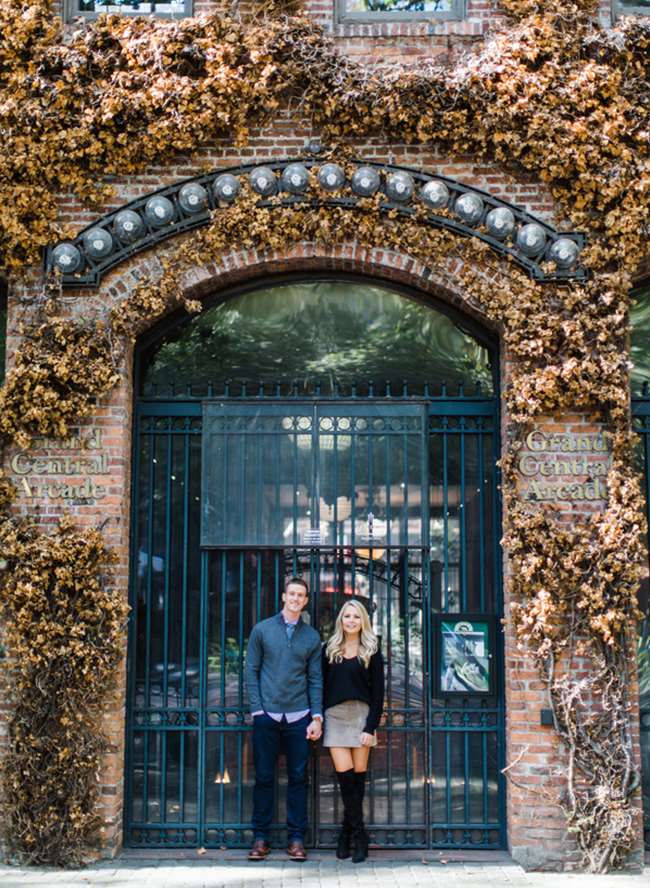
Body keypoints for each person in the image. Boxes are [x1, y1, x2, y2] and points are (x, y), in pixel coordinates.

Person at [245, 576, 323, 862]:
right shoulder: (262, 630)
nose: (295, 599)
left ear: (305, 601)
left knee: (298, 778)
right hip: (267, 715)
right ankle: (260, 837)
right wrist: (257, 709)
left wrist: (316, 717)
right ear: (283, 596)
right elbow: (250, 671)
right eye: (291, 594)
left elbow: (315, 679)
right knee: (264, 778)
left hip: (299, 716)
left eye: (300, 596)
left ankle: (296, 839)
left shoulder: (312, 637)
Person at [322, 599, 384, 863]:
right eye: (347, 616)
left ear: (363, 621)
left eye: (356, 617)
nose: (351, 621)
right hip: (334, 717)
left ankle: (347, 834)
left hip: (361, 716)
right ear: (341, 620)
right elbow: (321, 686)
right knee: (346, 780)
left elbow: (379, 693)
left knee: (357, 782)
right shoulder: (329, 649)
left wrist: (370, 726)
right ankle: (360, 835)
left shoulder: (372, 650)